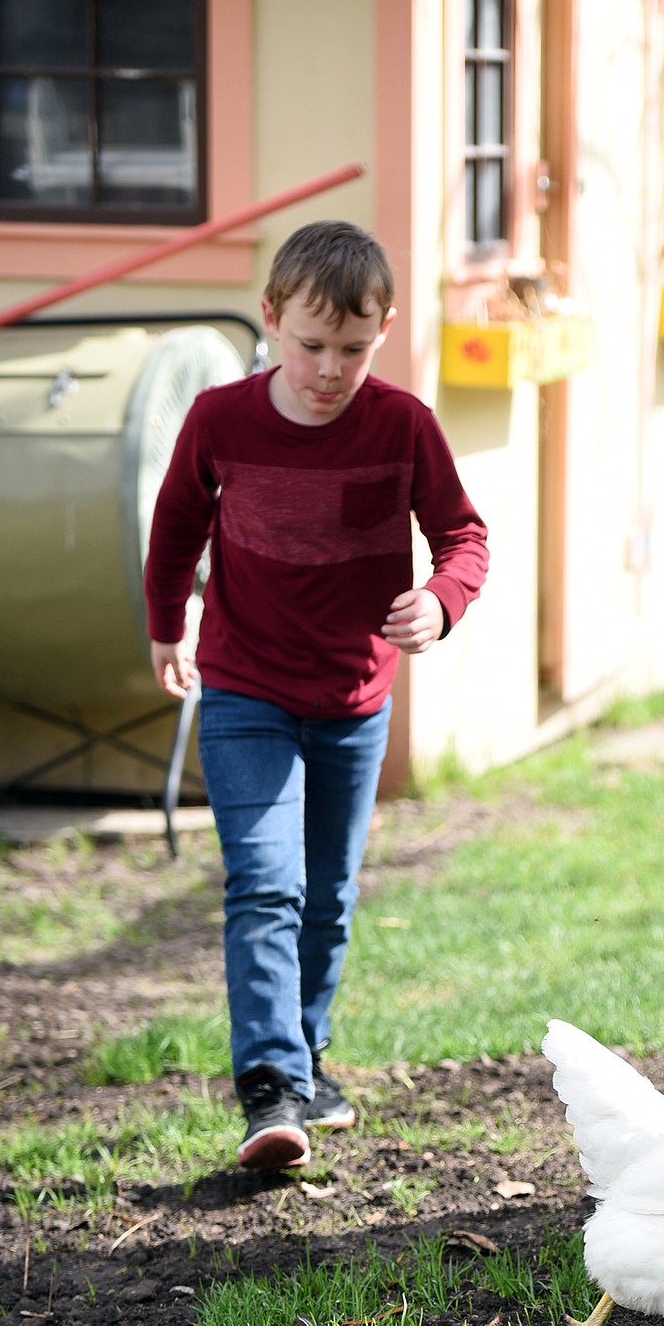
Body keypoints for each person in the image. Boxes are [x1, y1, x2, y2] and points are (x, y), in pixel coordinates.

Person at [144, 220, 488, 1171]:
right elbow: (176, 526)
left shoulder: (404, 424)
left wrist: (440, 600)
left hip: (352, 699)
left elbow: (464, 536)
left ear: (382, 331)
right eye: (311, 345)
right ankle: (270, 1087)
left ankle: (308, 1054)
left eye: (353, 346)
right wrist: (167, 625)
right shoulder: (220, 420)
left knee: (328, 898)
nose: (330, 368)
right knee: (266, 883)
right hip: (246, 688)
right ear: (271, 320)